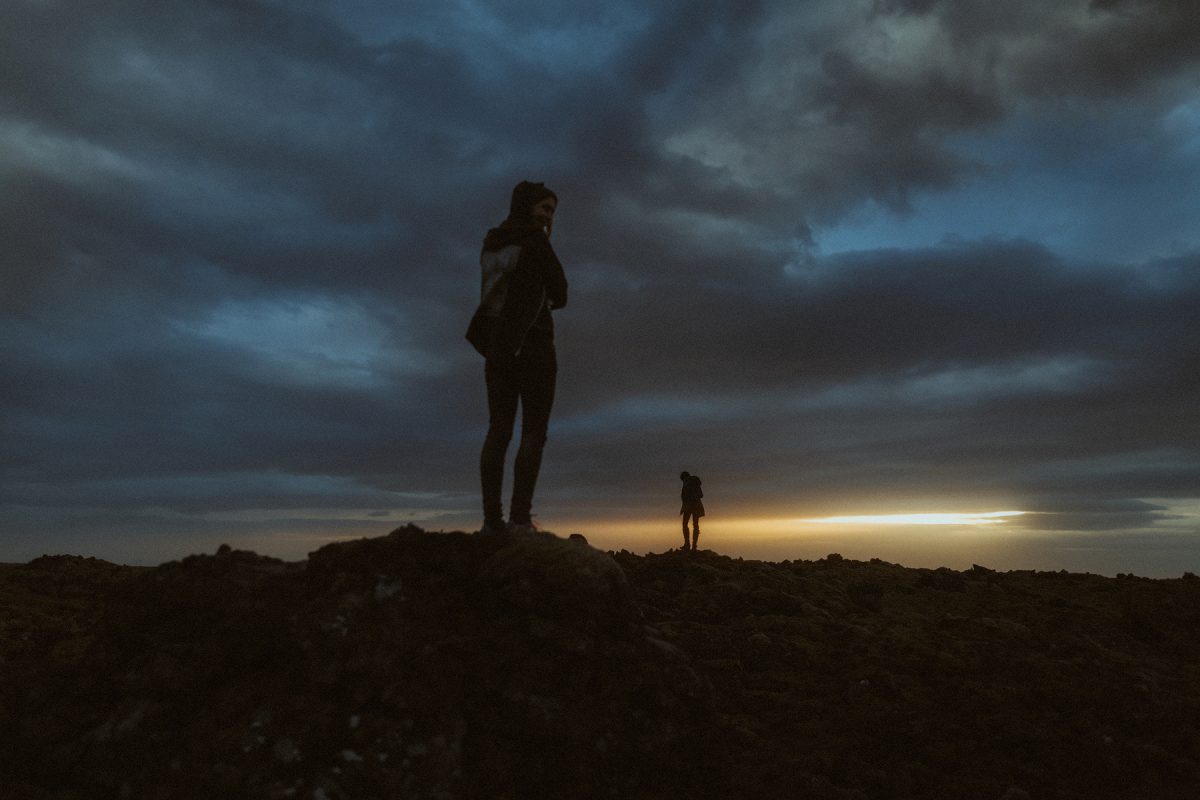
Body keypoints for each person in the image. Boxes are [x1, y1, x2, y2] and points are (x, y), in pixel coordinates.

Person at [466, 181, 567, 535]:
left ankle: (491, 522)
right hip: (534, 346)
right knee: (533, 433)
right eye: (544, 208)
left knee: (498, 431)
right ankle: (520, 520)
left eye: (552, 211)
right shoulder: (536, 242)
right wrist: (545, 242)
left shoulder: (491, 244)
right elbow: (561, 290)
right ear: (526, 206)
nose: (547, 217)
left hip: (497, 350)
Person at [679, 471, 704, 550]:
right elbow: (701, 495)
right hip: (697, 506)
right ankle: (694, 546)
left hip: (688, 507)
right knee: (695, 525)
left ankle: (687, 545)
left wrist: (684, 507)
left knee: (685, 524)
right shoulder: (696, 482)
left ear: (683, 477)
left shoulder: (686, 482)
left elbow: (684, 497)